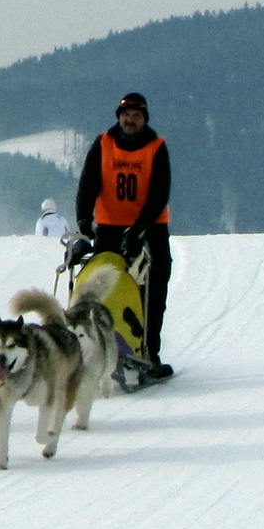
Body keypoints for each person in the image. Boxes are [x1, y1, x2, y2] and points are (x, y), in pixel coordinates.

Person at [75, 92, 174, 379]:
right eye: (126, 115)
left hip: (150, 229)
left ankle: (148, 350)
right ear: (119, 117)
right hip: (109, 229)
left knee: (153, 291)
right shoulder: (104, 144)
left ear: (144, 119)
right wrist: (84, 218)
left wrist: (140, 227)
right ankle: (105, 348)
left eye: (136, 116)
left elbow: (159, 193)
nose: (130, 120)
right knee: (105, 290)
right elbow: (89, 182)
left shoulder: (156, 147)